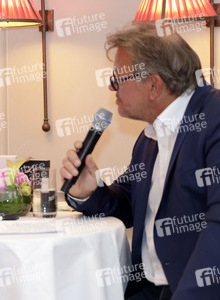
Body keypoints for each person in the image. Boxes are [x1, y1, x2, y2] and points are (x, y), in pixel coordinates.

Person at [61, 22, 220, 299]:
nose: (112, 89)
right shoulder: (151, 134)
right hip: (148, 288)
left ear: (153, 85)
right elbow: (128, 201)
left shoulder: (214, 118)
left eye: (117, 80)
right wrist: (88, 192)